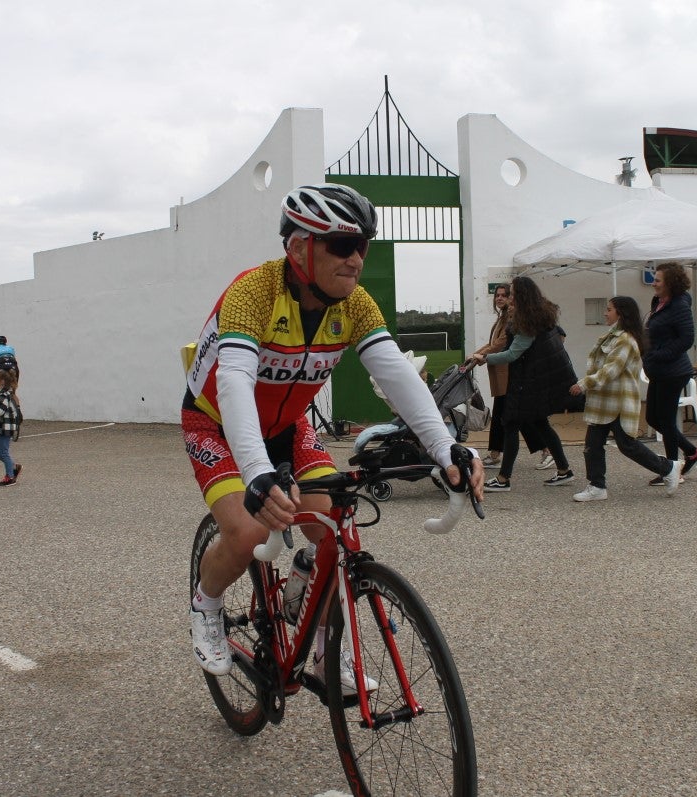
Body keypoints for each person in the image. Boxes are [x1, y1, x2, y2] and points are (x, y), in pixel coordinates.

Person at [183, 183, 484, 686]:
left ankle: (323, 646)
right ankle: (206, 604)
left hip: (287, 425)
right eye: (343, 245)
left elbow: (396, 373)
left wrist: (443, 448)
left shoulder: (357, 304)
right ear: (300, 247)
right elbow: (234, 381)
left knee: (331, 532)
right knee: (250, 530)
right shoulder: (252, 292)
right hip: (217, 423)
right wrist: (257, 475)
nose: (356, 259)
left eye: (363, 245)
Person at [569, 297, 682, 502]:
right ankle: (597, 486)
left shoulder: (626, 340)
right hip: (603, 402)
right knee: (592, 444)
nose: (605, 312)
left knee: (627, 445)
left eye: (609, 309)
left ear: (621, 313)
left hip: (618, 402)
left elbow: (611, 370)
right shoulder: (611, 336)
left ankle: (668, 468)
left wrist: (584, 384)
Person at [469, 275, 575, 492]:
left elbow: (512, 354)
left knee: (510, 424)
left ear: (522, 296)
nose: (510, 297)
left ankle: (503, 479)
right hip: (537, 380)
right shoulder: (541, 315)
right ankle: (564, 470)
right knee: (540, 424)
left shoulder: (526, 322)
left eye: (513, 293)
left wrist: (484, 358)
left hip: (527, 382)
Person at [469, 283, 552, 470]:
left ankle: (547, 450)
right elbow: (492, 343)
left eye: (504, 295)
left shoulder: (512, 319)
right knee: (502, 415)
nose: (500, 298)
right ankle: (496, 453)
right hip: (502, 373)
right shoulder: (502, 318)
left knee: (517, 418)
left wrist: (480, 357)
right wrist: (475, 355)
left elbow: (501, 344)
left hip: (509, 373)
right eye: (497, 295)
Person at [642, 263, 697, 486]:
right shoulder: (659, 302)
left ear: (670, 283)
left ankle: (671, 470)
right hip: (658, 370)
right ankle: (691, 452)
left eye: (658, 280)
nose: (653, 283)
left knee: (666, 421)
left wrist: (659, 354)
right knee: (652, 418)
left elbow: (687, 339)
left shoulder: (679, 305)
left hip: (673, 371)